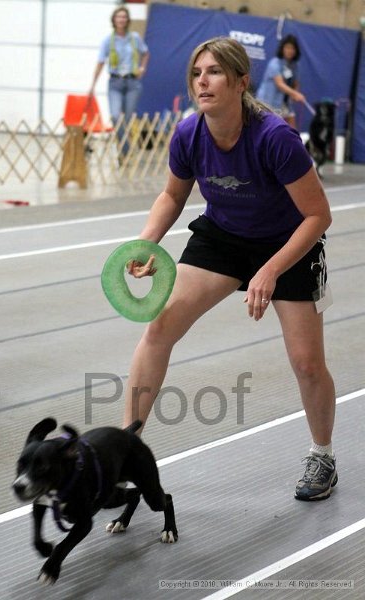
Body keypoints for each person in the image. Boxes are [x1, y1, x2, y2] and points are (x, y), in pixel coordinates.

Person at [123, 37, 336, 502]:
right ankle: (127, 450)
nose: (203, 80)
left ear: (241, 82)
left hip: (288, 243)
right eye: (197, 72)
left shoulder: (275, 138)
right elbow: (173, 196)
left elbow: (318, 216)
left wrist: (270, 270)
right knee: (159, 327)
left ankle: (322, 455)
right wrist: (146, 243)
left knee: (306, 363)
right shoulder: (187, 134)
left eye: (215, 71)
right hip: (222, 238)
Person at [88, 6, 149, 157]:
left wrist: (142, 68)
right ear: (114, 20)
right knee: (115, 116)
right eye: (118, 16)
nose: (121, 19)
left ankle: (124, 151)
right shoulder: (108, 41)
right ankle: (126, 151)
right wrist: (92, 85)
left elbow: (146, 53)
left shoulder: (134, 37)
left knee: (127, 120)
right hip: (115, 83)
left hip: (132, 83)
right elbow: (100, 62)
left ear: (127, 20)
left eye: (124, 17)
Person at [256, 34, 305, 129]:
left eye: (292, 48)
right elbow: (280, 84)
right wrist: (295, 94)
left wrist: (295, 94)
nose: (290, 51)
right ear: (282, 48)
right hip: (268, 103)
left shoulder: (295, 66)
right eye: (287, 47)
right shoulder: (274, 63)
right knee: (270, 129)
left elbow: (295, 83)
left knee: (292, 129)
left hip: (285, 103)